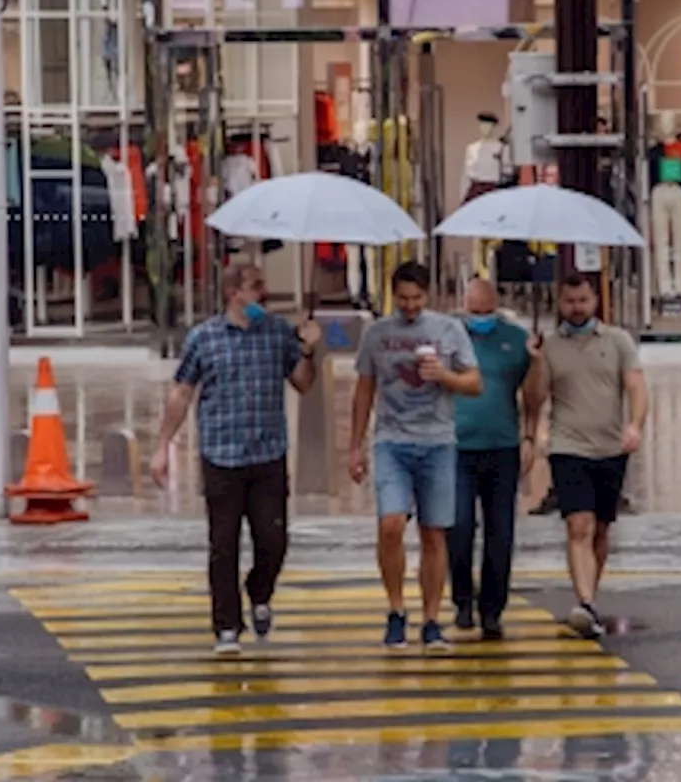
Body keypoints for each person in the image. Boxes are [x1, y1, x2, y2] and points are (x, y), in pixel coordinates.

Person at [150, 264, 321, 656]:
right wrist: (163, 445)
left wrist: (308, 348)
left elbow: (303, 383)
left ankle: (260, 592)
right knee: (223, 545)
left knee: (273, 539)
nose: (263, 294)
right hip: (221, 455)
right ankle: (226, 625)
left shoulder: (277, 334)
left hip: (267, 453)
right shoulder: (204, 338)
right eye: (255, 287)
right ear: (233, 293)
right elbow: (181, 393)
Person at [349, 261, 482, 651]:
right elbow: (363, 390)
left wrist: (445, 376)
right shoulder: (377, 334)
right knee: (390, 524)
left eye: (417, 299)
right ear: (393, 294)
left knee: (434, 532)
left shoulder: (448, 330)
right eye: (403, 299)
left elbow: (474, 383)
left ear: (428, 296)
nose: (410, 306)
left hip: (438, 440)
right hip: (391, 440)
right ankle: (395, 609)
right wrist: (355, 446)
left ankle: (430, 618)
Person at [527, 273, 647, 639]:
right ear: (559, 302)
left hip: (610, 447)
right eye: (569, 301)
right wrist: (533, 361)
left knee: (601, 529)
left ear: (595, 300)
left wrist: (635, 425)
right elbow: (533, 399)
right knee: (578, 525)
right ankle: (585, 602)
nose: (576, 309)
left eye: (583, 301)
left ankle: (589, 599)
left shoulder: (618, 341)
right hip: (568, 447)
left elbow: (636, 387)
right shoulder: (547, 346)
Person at [448, 279, 542, 641]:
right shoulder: (449, 334)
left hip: (502, 446)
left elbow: (533, 397)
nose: (481, 319)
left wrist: (530, 437)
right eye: (475, 312)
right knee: (457, 526)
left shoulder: (515, 339)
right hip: (456, 446)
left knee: (500, 532)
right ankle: (461, 599)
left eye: (487, 312)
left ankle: (492, 608)